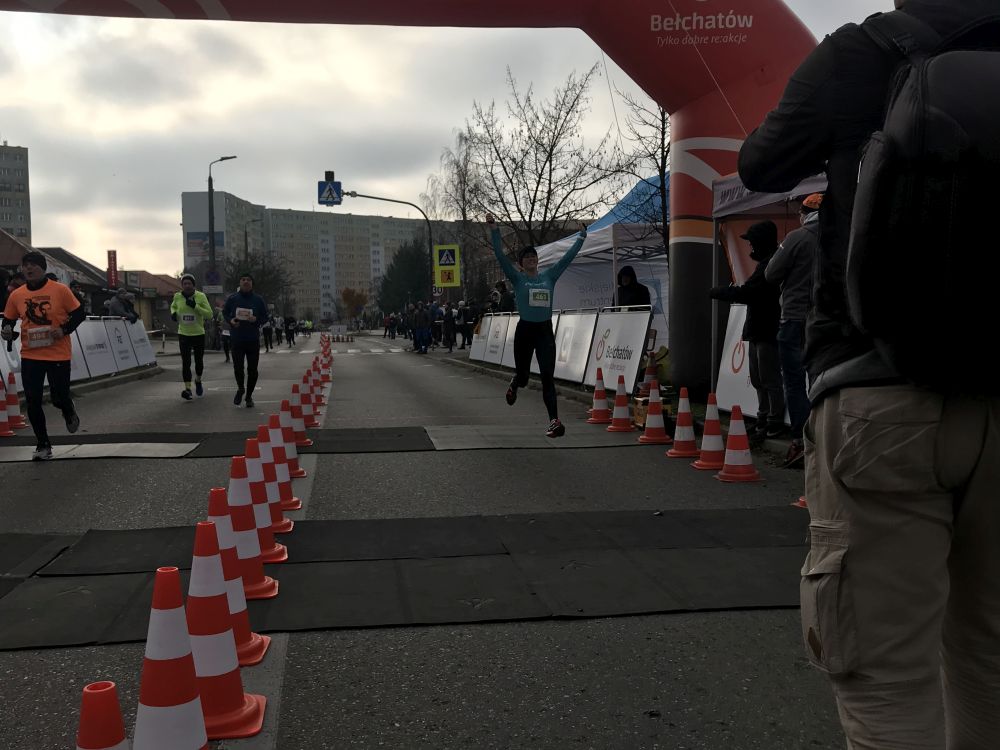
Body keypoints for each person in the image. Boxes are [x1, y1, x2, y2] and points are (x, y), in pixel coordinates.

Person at [739, 2, 1000, 746]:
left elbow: (759, 163)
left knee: (886, 682)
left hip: (875, 387)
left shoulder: (864, 50)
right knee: (991, 661)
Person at [488, 213, 586, 438]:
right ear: (521, 264)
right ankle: (515, 383)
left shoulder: (549, 276)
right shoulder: (518, 279)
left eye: (534, 256)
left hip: (544, 331)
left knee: (547, 377)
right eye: (527, 257)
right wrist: (494, 230)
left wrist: (581, 237)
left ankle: (554, 421)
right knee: (523, 377)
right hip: (525, 331)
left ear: (537, 260)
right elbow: (500, 256)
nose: (531, 258)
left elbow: (567, 259)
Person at [1, 251, 85, 460]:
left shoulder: (60, 290)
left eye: (33, 265)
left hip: (58, 354)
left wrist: (64, 330)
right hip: (31, 355)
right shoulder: (17, 295)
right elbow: (8, 319)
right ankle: (43, 445)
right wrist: (6, 330)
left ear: (43, 268)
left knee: (58, 397)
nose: (28, 269)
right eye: (25, 266)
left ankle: (67, 408)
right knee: (33, 401)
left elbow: (79, 314)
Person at [709, 221, 785, 438]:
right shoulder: (768, 264)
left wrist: (719, 292)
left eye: (751, 241)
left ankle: (772, 420)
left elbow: (749, 293)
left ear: (761, 242)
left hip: (766, 330)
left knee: (767, 378)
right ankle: (765, 418)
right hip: (760, 329)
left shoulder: (769, 266)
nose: (749, 246)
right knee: (760, 378)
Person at [765, 194, 821, 466]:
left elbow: (771, 273)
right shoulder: (839, 237)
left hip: (796, 318)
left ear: (804, 213)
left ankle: (801, 441)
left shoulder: (797, 238)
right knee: (821, 380)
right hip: (826, 321)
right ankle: (825, 439)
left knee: (795, 381)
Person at [222, 273, 269, 408]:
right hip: (237, 338)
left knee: (253, 370)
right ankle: (241, 388)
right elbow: (225, 313)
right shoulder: (233, 298)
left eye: (248, 280)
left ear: (252, 284)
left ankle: (249, 396)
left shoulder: (258, 300)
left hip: (252, 339)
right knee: (238, 368)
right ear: (240, 283)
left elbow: (265, 317)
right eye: (243, 280)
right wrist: (231, 321)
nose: (246, 282)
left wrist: (257, 320)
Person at [169, 273, 213, 401]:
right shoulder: (177, 296)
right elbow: (173, 306)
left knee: (199, 362)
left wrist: (195, 306)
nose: (187, 286)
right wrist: (173, 313)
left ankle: (198, 380)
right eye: (184, 284)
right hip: (184, 333)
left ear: (193, 285)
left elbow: (209, 314)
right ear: (182, 285)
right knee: (186, 362)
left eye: (189, 283)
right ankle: (188, 389)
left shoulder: (201, 296)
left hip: (198, 333)